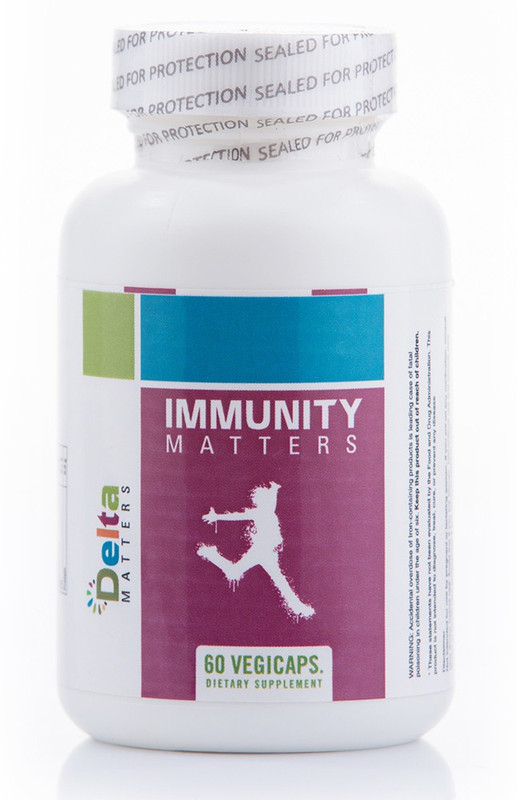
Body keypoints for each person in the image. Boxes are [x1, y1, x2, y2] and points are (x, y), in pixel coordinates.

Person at [198, 481, 315, 619]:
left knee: (276, 579)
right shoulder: (259, 512)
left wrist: (274, 489)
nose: (268, 501)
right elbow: (236, 516)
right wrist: (217, 517)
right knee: (236, 573)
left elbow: (272, 502)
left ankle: (298, 607)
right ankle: (211, 554)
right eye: (263, 498)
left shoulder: (269, 510)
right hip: (260, 551)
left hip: (268, 553)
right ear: (259, 501)